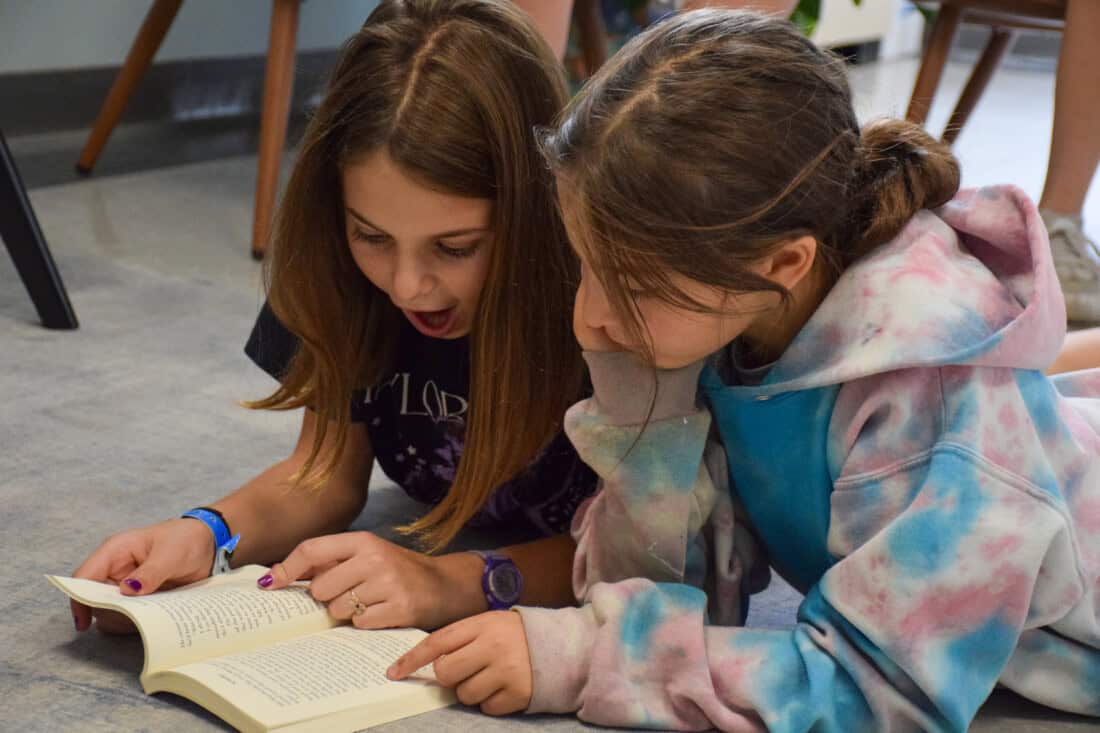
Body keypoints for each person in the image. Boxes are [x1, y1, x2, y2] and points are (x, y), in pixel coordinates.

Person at [390, 10, 1100, 730]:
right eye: (587, 270)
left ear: (783, 263)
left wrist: (590, 657)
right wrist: (644, 406)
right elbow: (666, 585)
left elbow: (877, 690)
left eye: (632, 287)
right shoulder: (733, 307)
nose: (587, 321)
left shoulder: (938, 412)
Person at [69, 0, 596, 637]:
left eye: (456, 247)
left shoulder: (607, 302)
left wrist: (453, 581)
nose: (407, 286)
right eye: (371, 236)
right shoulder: (336, 273)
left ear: (540, 214)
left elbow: (657, 556)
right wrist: (207, 532)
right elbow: (324, 476)